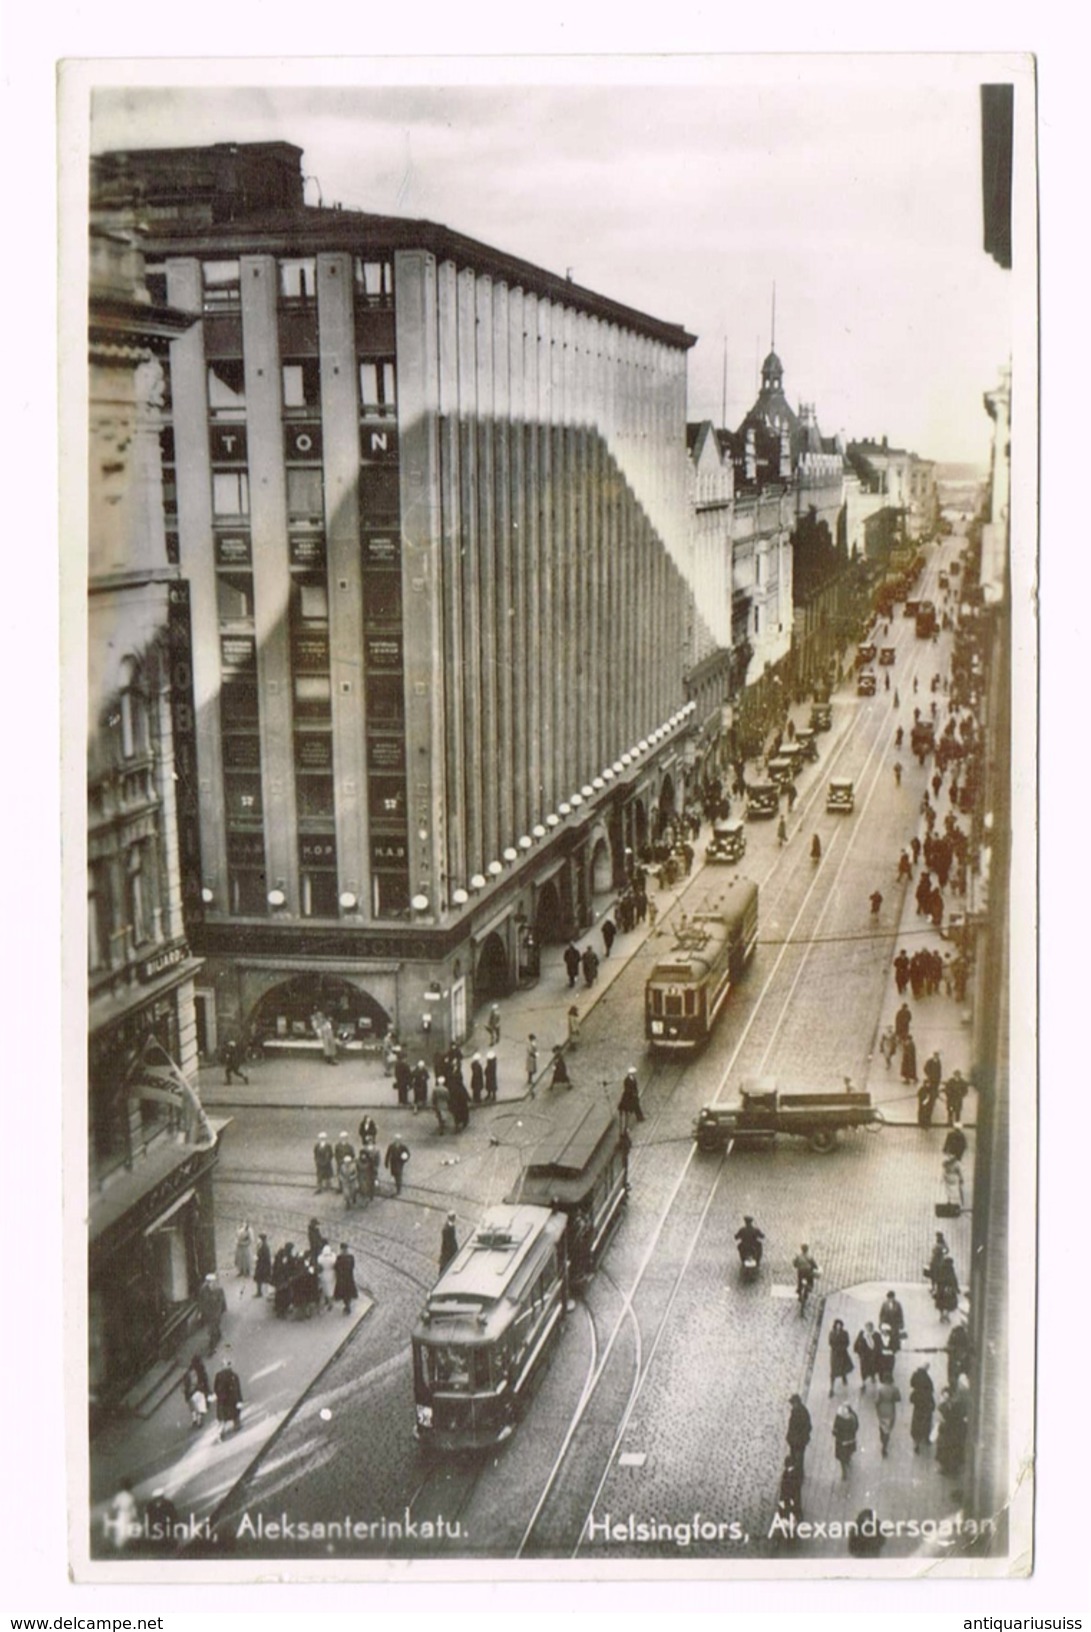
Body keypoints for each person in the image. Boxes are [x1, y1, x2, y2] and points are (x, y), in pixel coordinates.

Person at [212, 1354, 243, 1441]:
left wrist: (217, 1394)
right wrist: (239, 1400)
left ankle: (221, 1432)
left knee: (222, 1418)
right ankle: (236, 1425)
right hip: (231, 1400)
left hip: (222, 1400)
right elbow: (237, 1389)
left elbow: (215, 1387)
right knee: (235, 1414)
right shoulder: (234, 1376)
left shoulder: (218, 1375)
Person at [197, 1271, 227, 1356]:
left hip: (215, 1313)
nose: (211, 1284)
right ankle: (218, 1334)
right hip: (207, 1313)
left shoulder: (219, 1290)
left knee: (212, 1330)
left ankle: (212, 1348)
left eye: (212, 1282)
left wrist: (222, 1311)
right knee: (213, 1329)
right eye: (209, 1282)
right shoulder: (203, 1290)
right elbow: (200, 1301)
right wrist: (199, 1312)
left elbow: (221, 1301)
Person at [909, 1363, 936, 1451]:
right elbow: (931, 1390)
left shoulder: (915, 1375)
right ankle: (926, 1437)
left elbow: (912, 1384)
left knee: (917, 1421)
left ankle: (916, 1442)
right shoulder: (928, 1379)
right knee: (926, 1421)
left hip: (917, 1402)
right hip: (926, 1403)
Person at [875, 1373, 901, 1458]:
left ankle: (882, 1435)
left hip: (881, 1410)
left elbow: (877, 1401)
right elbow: (898, 1399)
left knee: (882, 1425)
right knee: (888, 1428)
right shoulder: (894, 1389)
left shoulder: (880, 1389)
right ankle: (885, 1445)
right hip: (890, 1409)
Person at [832, 1402, 859, 1479]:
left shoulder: (839, 1418)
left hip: (841, 1441)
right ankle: (848, 1458)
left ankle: (844, 1471)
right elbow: (856, 1426)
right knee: (849, 1452)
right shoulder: (853, 1416)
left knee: (841, 1457)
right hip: (850, 1440)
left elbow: (835, 1429)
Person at [786, 1394, 813, 1474]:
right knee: (794, 1456)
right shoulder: (794, 1411)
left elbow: (808, 1427)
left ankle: (799, 1473)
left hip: (799, 1441)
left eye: (793, 1403)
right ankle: (795, 1472)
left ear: (797, 1403)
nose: (792, 1405)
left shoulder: (803, 1413)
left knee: (799, 1457)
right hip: (793, 1441)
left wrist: (801, 1438)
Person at [183, 1354, 210, 1428]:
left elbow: (185, 1384)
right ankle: (199, 1421)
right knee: (201, 1406)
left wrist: (186, 1395)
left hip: (190, 1393)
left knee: (193, 1408)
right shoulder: (200, 1370)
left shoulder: (187, 1372)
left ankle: (195, 1420)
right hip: (198, 1390)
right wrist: (206, 1391)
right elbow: (204, 1381)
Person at [828, 1318, 854, 1396]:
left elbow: (847, 1342)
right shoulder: (832, 1333)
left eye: (840, 1325)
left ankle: (844, 1377)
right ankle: (831, 1388)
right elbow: (830, 1342)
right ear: (835, 1326)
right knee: (833, 1371)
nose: (838, 1327)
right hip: (835, 1354)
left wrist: (842, 1348)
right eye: (837, 1325)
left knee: (843, 1367)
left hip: (842, 1353)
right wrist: (836, 1348)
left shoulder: (845, 1333)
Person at [854, 1322, 882, 1391]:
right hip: (864, 1356)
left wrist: (878, 1354)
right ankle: (863, 1383)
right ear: (865, 1328)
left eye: (870, 1327)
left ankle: (872, 1377)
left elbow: (879, 1345)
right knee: (863, 1370)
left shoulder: (876, 1335)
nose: (869, 1329)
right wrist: (858, 1352)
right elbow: (857, 1343)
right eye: (867, 1327)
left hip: (873, 1356)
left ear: (872, 1328)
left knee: (873, 1368)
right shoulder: (862, 1334)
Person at [933, 1252, 960, 1321]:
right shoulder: (951, 1269)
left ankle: (942, 1315)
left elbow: (937, 1278)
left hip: (941, 1289)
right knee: (949, 1303)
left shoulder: (941, 1268)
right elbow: (953, 1279)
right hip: (949, 1289)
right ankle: (947, 1315)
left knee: (941, 1303)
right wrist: (956, 1288)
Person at [333, 1243, 358, 1314]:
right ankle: (348, 1305)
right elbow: (352, 1266)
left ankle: (347, 1306)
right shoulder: (351, 1257)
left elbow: (336, 1268)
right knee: (348, 1293)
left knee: (344, 1293)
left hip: (342, 1279)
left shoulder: (339, 1258)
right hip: (349, 1278)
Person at [317, 1238, 337, 1309]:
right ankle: (331, 1301)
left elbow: (319, 1263)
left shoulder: (320, 1258)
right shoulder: (333, 1257)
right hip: (332, 1273)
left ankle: (328, 1301)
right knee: (332, 1287)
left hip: (324, 1273)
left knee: (325, 1287)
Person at [253, 1233, 272, 1298]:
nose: (257, 1240)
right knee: (260, 1279)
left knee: (262, 1278)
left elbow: (266, 1257)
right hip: (261, 1265)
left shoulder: (265, 1247)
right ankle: (260, 1292)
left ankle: (261, 1292)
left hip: (263, 1265)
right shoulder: (261, 1245)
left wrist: (258, 1257)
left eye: (258, 1238)